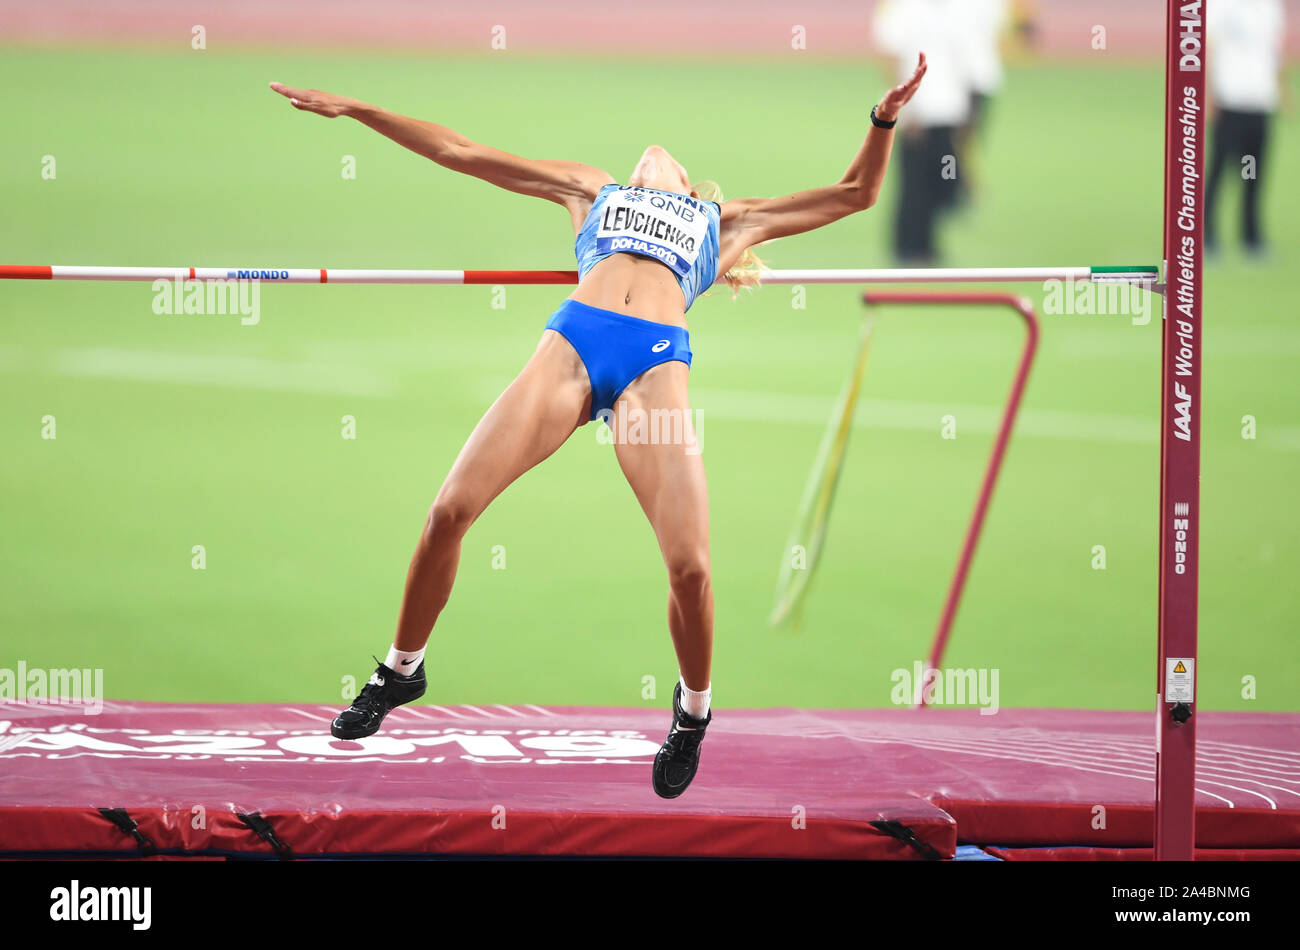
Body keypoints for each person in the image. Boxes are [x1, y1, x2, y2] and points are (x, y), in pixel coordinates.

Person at [268, 55, 926, 798]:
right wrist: (358, 108)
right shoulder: (589, 187)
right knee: (449, 510)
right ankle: (401, 669)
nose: (658, 150)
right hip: (571, 351)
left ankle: (692, 711)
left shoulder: (726, 221)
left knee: (691, 568)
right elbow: (458, 151)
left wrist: (885, 117)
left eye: (676, 162)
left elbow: (857, 194)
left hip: (653, 369)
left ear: (690, 187)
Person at [873, 0, 970, 264]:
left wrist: (963, 109)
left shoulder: (955, 10)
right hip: (917, 114)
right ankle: (907, 248)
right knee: (913, 184)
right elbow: (890, 57)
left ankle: (928, 244)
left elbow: (959, 61)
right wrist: (904, 108)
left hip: (947, 111)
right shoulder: (903, 10)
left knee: (942, 182)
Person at [1205, 0, 1286, 258]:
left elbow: (1275, 50)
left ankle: (1250, 237)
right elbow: (1209, 46)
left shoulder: (1270, 7)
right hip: (1229, 99)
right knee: (1218, 172)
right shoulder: (1221, 5)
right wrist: (1209, 93)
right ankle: (1206, 236)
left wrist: (1280, 86)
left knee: (1252, 174)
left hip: (1260, 101)